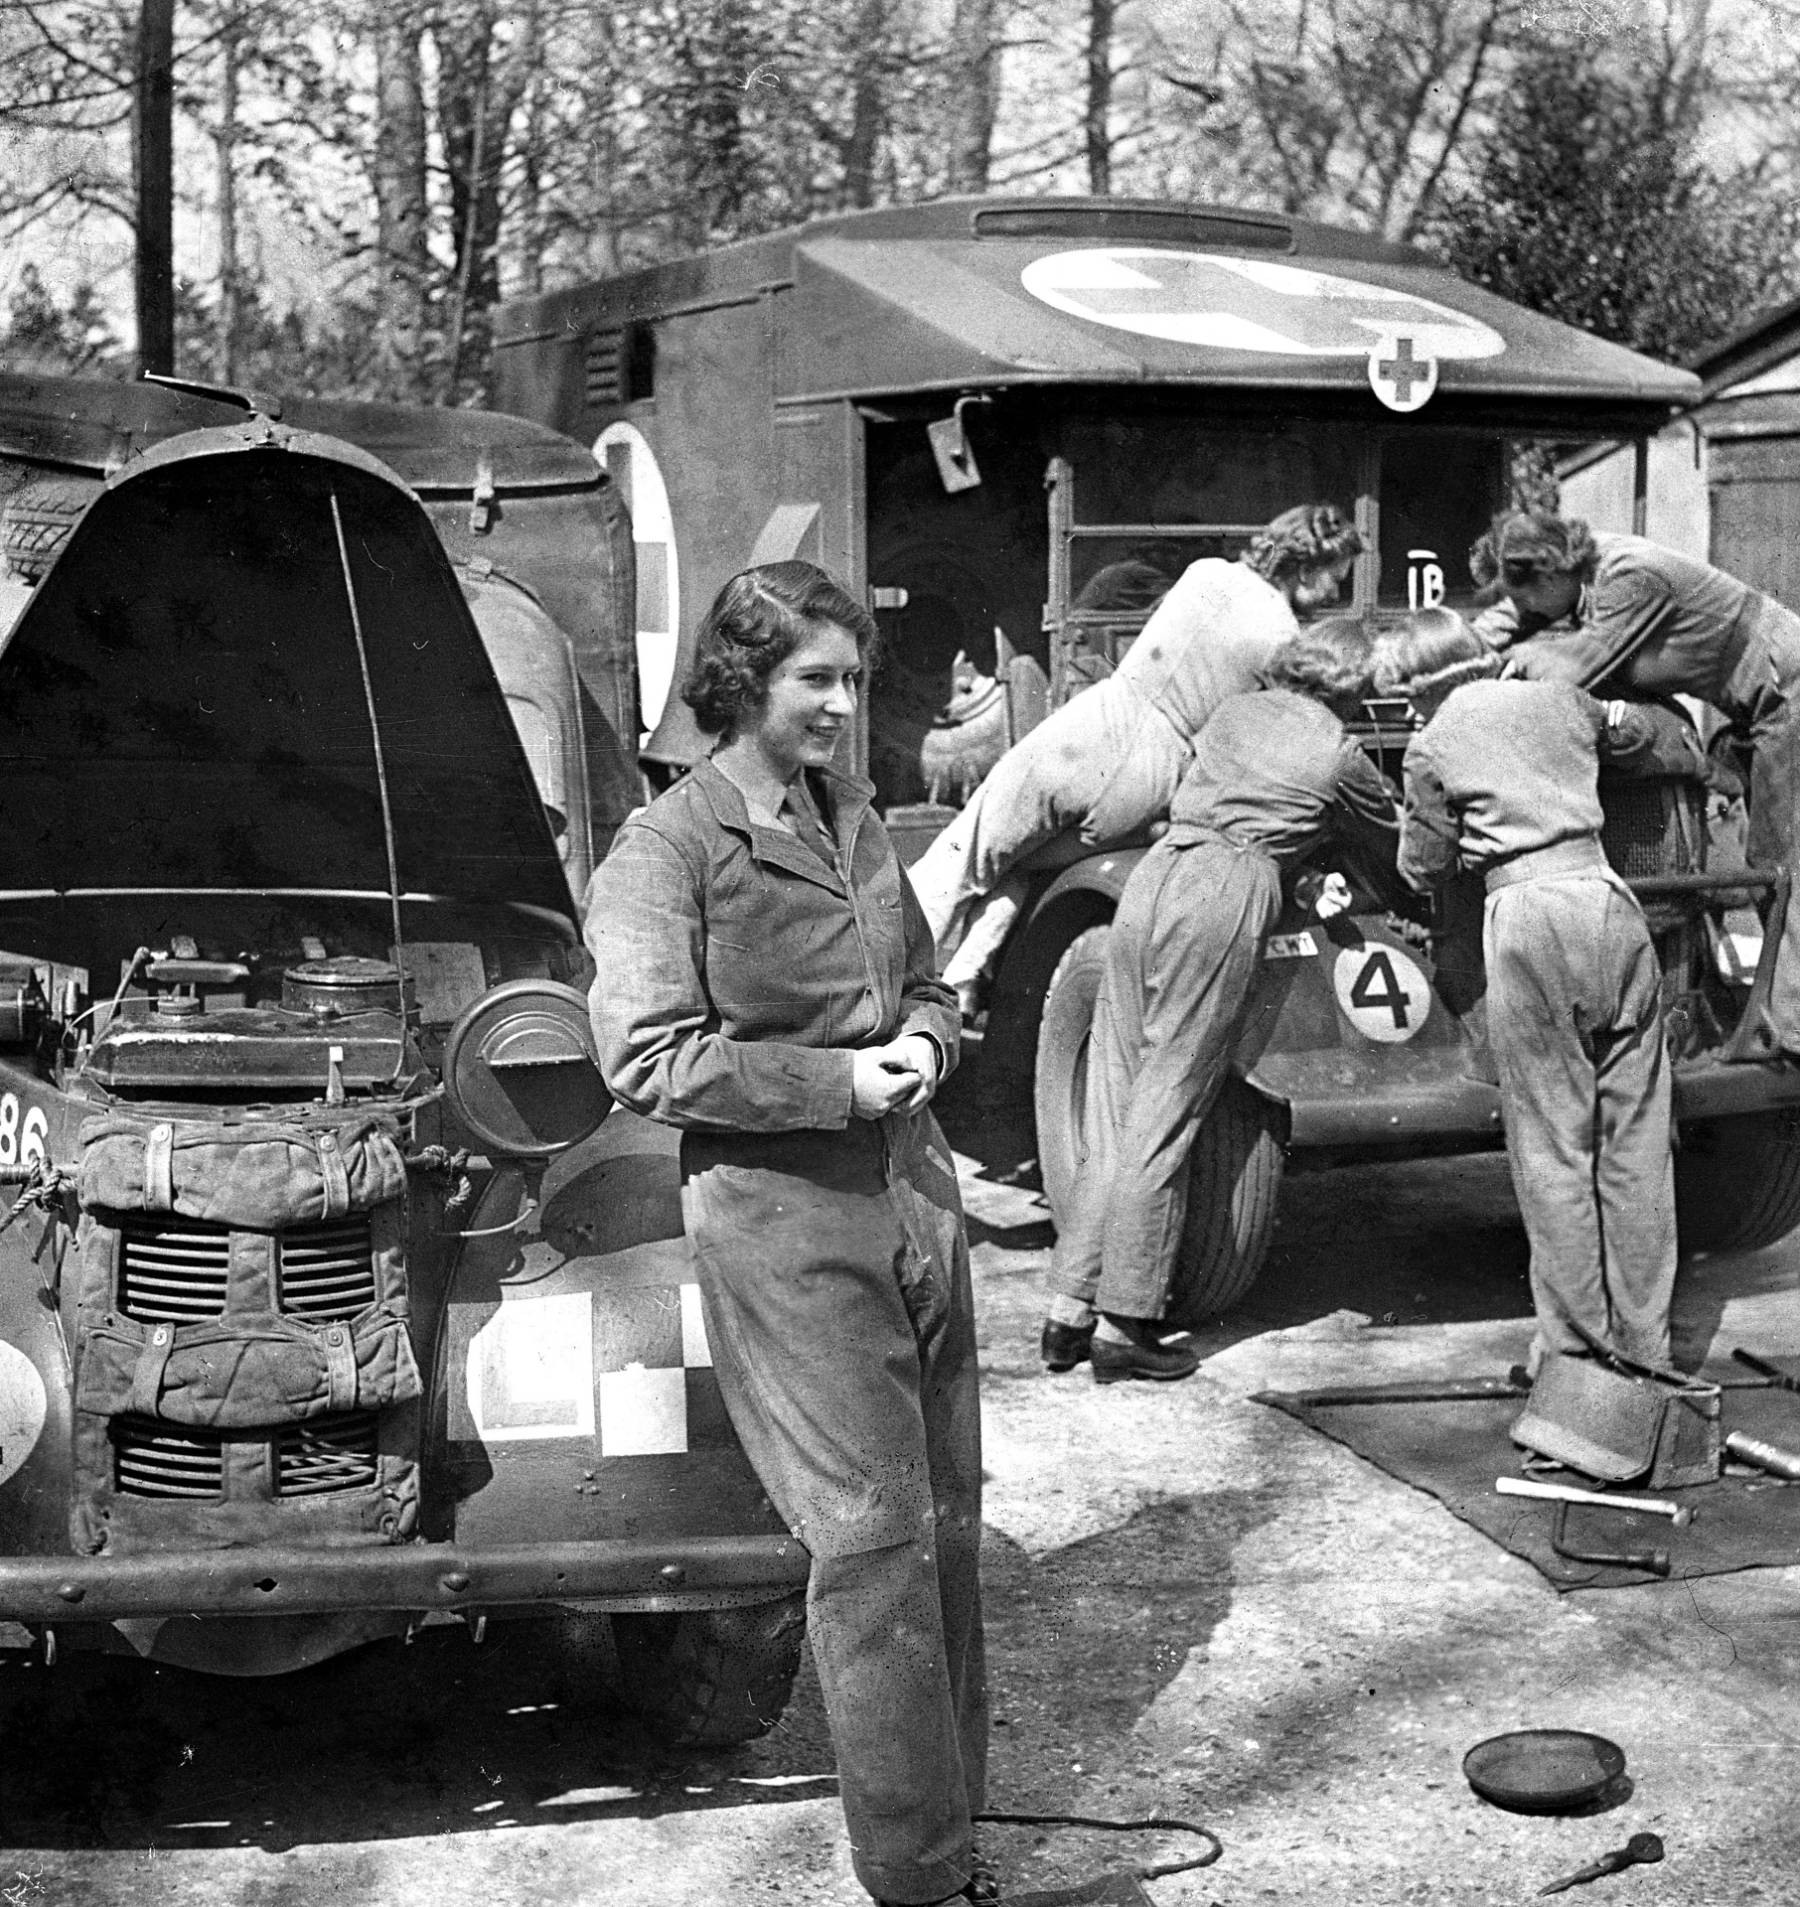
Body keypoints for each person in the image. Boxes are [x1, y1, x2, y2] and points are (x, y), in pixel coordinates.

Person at [584, 561, 992, 1907]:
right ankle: (918, 1874)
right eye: (816, 677)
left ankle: (954, 1830)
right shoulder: (670, 847)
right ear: (743, 682)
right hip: (780, 1220)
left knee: (945, 1518)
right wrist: (833, 1082)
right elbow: (646, 1053)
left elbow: (925, 976)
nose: (843, 703)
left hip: (912, 1195)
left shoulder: (853, 812)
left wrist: (928, 1035)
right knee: (870, 1541)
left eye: (856, 679)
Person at [1041, 618, 1400, 1380]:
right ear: (1351, 686)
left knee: (1114, 1100)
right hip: (1225, 888)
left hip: (1153, 873)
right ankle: (1125, 1322)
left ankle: (1067, 1312)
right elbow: (1394, 846)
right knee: (1168, 1108)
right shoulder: (1339, 753)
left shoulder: (1231, 711)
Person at [1380, 612, 1706, 1383]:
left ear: (1421, 687)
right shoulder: (1561, 696)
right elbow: (1647, 737)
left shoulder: (1432, 742)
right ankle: (1647, 1344)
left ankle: (1574, 1354)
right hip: (1612, 902)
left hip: (1528, 919)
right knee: (1636, 1143)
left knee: (1556, 1147)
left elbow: (1421, 867)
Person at [908, 503, 1364, 1015]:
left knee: (961, 861)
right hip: (1153, 783)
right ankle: (962, 983)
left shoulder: (1205, 574)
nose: (1334, 595)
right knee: (1028, 866)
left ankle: (885, 987)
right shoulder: (1285, 642)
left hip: (1092, 733)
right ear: (1304, 569)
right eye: (1335, 579)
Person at [1470, 508, 1800, 1055]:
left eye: (1529, 599)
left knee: (1783, 854)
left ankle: (1793, 1028)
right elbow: (1503, 620)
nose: (1525, 613)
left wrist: (1511, 662)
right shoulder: (1572, 571)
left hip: (1786, 690)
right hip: (1752, 701)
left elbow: (1573, 669)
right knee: (1763, 857)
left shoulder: (1631, 579)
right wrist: (1453, 648)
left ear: (1550, 576)